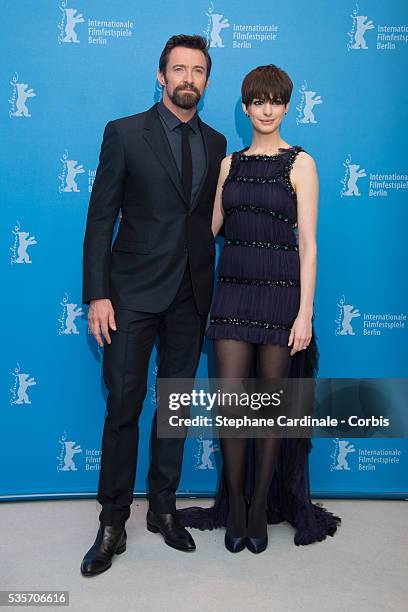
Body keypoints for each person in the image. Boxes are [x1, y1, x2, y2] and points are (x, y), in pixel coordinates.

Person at [177, 64, 341, 553]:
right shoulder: (230, 165)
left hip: (278, 296)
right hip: (231, 294)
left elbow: (309, 244)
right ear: (245, 107)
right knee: (231, 409)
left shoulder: (301, 163)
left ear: (286, 106)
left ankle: (256, 512)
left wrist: (305, 312)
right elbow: (208, 232)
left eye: (275, 101)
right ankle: (234, 507)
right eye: (257, 101)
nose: (266, 109)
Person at [80, 34, 227, 576]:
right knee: (123, 407)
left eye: (198, 71)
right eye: (179, 69)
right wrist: (97, 293)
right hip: (131, 295)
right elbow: (101, 218)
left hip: (190, 295)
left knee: (175, 408)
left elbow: (208, 220)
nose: (188, 79)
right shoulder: (124, 133)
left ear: (206, 81)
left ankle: (163, 509)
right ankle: (113, 521)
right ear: (160, 75)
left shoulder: (215, 143)